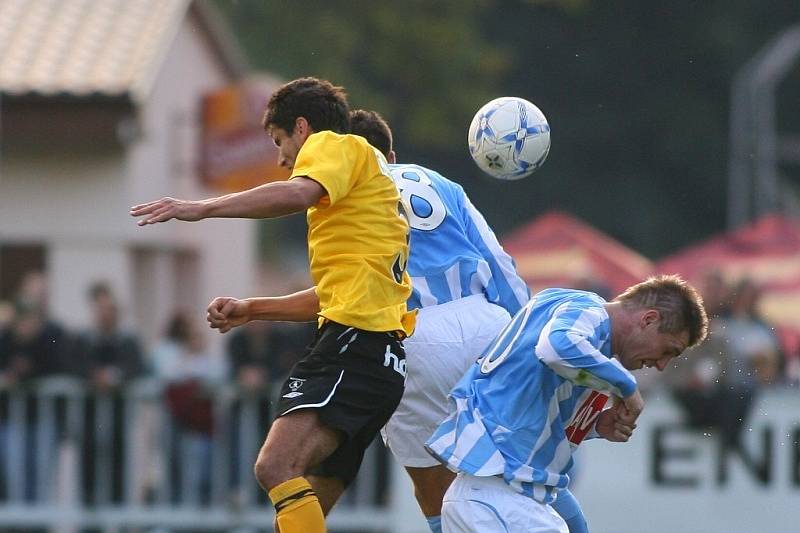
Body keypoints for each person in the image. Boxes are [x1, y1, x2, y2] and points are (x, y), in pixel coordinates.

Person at [131, 77, 415, 533]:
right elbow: (332, 297)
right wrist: (252, 309)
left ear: (302, 129)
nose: (282, 160)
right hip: (381, 360)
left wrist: (201, 208)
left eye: (280, 142)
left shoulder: (334, 145)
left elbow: (295, 192)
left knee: (274, 467)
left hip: (351, 347)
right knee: (304, 510)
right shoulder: (369, 191)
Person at [425, 275, 708, 532]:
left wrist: (595, 425)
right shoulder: (589, 311)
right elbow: (556, 346)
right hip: (500, 498)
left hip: (486, 496)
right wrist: (627, 385)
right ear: (648, 320)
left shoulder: (582, 336)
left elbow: (530, 395)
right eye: (669, 351)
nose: (661, 365)